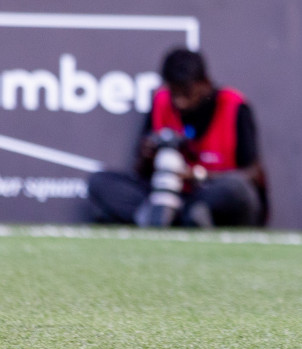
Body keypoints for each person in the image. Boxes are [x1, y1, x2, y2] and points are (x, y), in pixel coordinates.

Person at [86, 48, 265, 228]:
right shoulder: (161, 101)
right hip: (166, 195)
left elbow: (253, 174)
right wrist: (147, 156)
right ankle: (163, 217)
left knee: (236, 189)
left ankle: (189, 216)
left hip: (208, 194)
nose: (180, 102)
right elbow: (140, 173)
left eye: (187, 94)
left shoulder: (233, 105)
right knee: (101, 182)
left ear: (206, 83)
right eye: (174, 94)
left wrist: (197, 175)